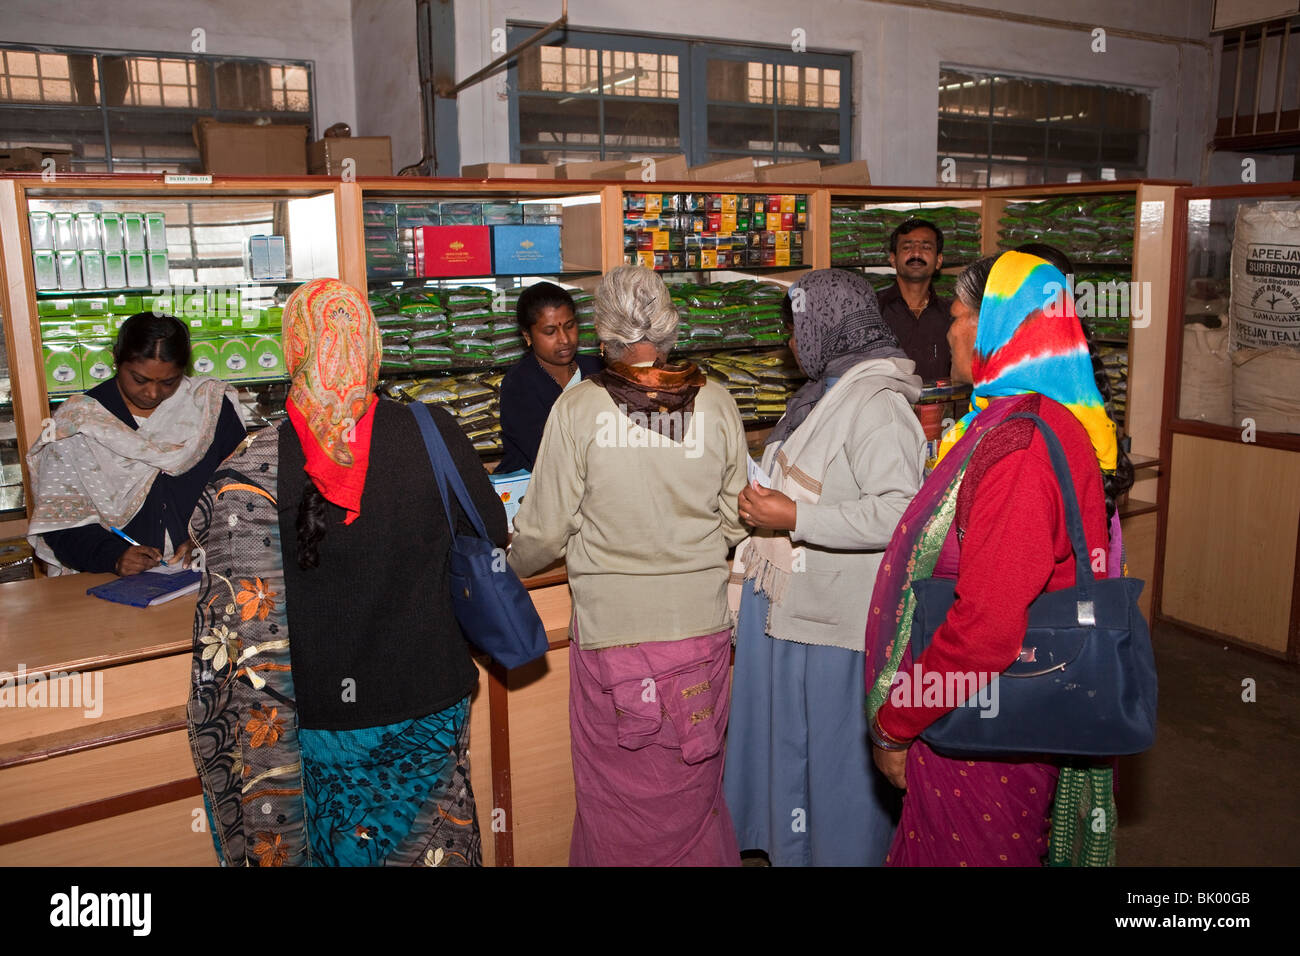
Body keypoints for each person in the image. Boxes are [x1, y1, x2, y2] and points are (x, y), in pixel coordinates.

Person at [185, 278, 507, 867]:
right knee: (429, 847)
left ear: (294, 348)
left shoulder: (250, 468)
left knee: (337, 850)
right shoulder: (433, 433)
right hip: (428, 707)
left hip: (317, 720)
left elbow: (230, 620)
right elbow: (493, 534)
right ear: (374, 346)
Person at [864, 250, 1126, 866]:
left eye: (959, 315)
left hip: (982, 725)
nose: (951, 330)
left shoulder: (1022, 447)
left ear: (994, 328)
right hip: (982, 709)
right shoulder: (1017, 420)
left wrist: (897, 721)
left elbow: (986, 629)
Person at [507, 265, 749, 867]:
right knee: (694, 790)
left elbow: (542, 531)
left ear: (604, 332)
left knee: (619, 799)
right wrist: (686, 550)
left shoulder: (581, 409)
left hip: (617, 640)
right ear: (667, 323)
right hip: (701, 629)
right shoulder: (715, 401)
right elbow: (738, 516)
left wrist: (510, 566)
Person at [723, 268, 927, 866]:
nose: (792, 342)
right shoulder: (826, 393)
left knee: (834, 767)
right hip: (795, 613)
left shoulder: (877, 403)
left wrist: (793, 516)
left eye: (799, 327)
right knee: (798, 758)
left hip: (833, 624)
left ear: (830, 324)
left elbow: (898, 513)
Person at [26, 312, 245, 575]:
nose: (152, 393)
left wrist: (210, 536)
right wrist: (114, 557)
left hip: (207, 575)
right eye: (139, 380)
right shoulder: (79, 422)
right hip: (109, 581)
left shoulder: (211, 407)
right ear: (116, 359)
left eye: (168, 382)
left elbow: (242, 491)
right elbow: (60, 523)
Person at [496, 282, 604, 473]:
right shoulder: (518, 384)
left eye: (570, 326)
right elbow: (547, 455)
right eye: (550, 332)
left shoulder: (597, 370)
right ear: (527, 336)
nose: (564, 339)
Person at [877, 217, 953, 382]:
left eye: (926, 247)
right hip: (886, 407)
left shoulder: (952, 315)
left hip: (939, 406)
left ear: (939, 260)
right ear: (892, 259)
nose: (916, 254)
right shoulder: (873, 310)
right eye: (907, 247)